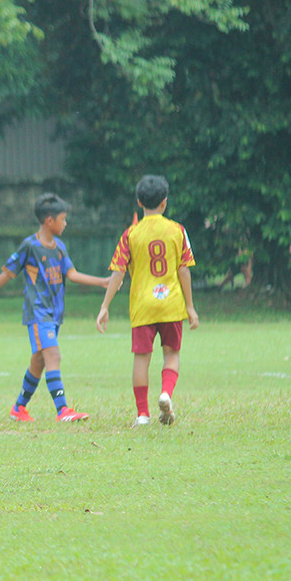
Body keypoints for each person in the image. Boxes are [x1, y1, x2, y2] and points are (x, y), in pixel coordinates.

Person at [0, 193, 110, 422]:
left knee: (38, 362)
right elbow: (7, 274)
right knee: (53, 355)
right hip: (38, 312)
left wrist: (103, 282)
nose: (66, 223)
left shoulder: (59, 246)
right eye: (63, 219)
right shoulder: (29, 246)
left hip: (55, 313)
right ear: (49, 221)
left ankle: (18, 408)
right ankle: (63, 410)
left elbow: (72, 274)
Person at [96, 175, 199, 426]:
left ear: (139, 202)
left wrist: (104, 306)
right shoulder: (178, 230)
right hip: (171, 304)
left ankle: (142, 414)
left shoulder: (131, 234)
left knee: (141, 358)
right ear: (164, 203)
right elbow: (184, 270)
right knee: (172, 354)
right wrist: (190, 307)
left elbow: (118, 272)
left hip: (142, 306)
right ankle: (166, 393)